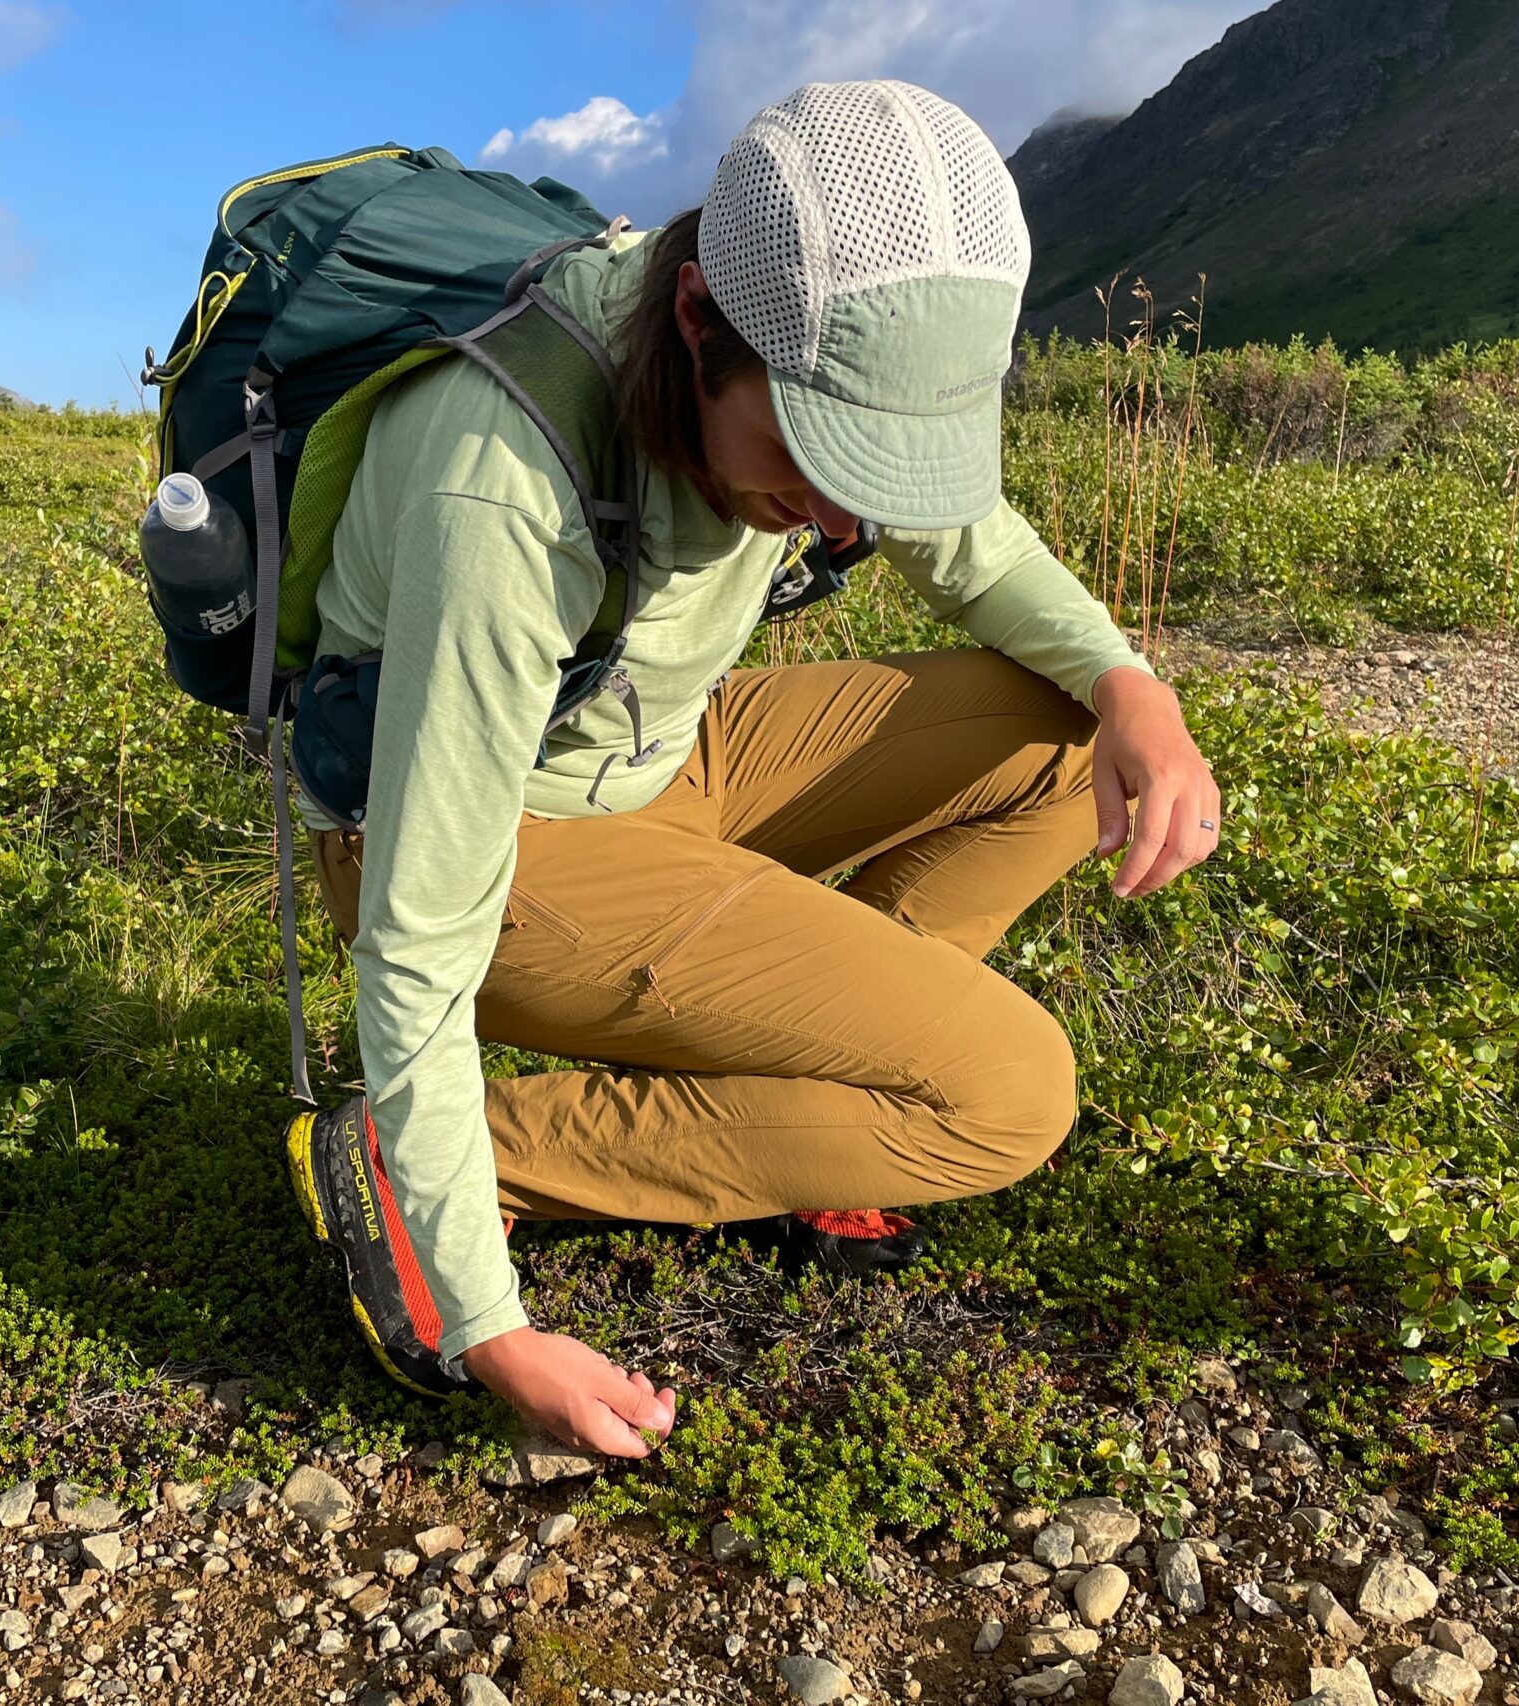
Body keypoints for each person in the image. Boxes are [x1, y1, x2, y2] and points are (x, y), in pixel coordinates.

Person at [283, 79, 1221, 1462]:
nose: (846, 519)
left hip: (661, 746)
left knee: (1068, 717)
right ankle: (419, 1156)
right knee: (1010, 1094)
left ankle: (817, 1109)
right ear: (695, 319)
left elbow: (971, 543)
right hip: (512, 839)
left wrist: (1137, 684)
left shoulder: (752, 346)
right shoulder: (504, 490)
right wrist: (489, 1325)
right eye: (810, 455)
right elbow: (416, 944)